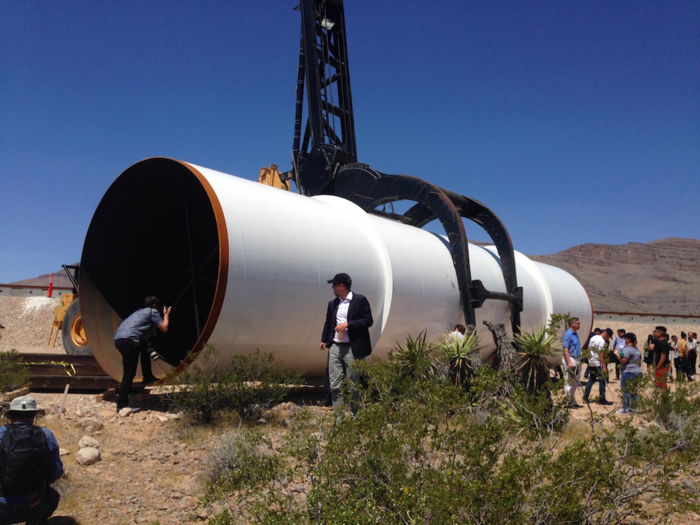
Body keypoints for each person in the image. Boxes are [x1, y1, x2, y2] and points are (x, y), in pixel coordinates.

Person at [0, 396, 63, 525]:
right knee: (53, 496)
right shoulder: (46, 435)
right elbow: (56, 473)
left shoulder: (1, 434)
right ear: (34, 416)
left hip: (2, 508)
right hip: (33, 505)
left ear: (10, 416)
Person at [320, 273, 373, 416]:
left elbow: (368, 321)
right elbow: (329, 323)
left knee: (352, 385)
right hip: (336, 347)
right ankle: (339, 420)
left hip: (352, 348)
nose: (332, 288)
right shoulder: (333, 304)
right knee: (335, 385)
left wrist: (348, 324)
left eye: (334, 285)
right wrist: (324, 339)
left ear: (341, 286)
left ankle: (355, 416)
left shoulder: (360, 301)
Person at [114, 296, 171, 412]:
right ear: (155, 306)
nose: (159, 308)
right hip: (129, 341)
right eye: (158, 306)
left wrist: (152, 327)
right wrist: (166, 315)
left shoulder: (139, 312)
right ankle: (121, 405)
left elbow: (145, 336)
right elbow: (165, 328)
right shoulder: (153, 312)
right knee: (129, 373)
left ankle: (147, 375)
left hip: (119, 339)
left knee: (144, 346)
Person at [582, 328, 614, 405]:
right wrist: (604, 366)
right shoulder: (602, 341)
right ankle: (602, 398)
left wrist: (590, 359)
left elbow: (588, 349)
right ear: (606, 334)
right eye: (609, 337)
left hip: (592, 362)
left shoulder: (593, 337)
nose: (608, 339)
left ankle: (585, 397)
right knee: (602, 380)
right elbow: (601, 354)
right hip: (598, 363)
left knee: (591, 379)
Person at [616, 333, 643, 414]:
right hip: (637, 372)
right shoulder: (637, 350)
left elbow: (623, 360)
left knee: (626, 391)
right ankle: (633, 409)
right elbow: (640, 361)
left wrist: (617, 354)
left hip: (628, 372)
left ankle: (625, 408)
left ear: (628, 340)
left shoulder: (627, 349)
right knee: (634, 391)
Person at [562, 317, 583, 408]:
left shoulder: (575, 334)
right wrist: (569, 362)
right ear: (572, 324)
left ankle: (572, 399)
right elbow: (565, 349)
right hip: (571, 358)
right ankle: (567, 402)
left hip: (577, 358)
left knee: (576, 380)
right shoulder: (567, 334)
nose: (579, 325)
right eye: (578, 323)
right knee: (569, 380)